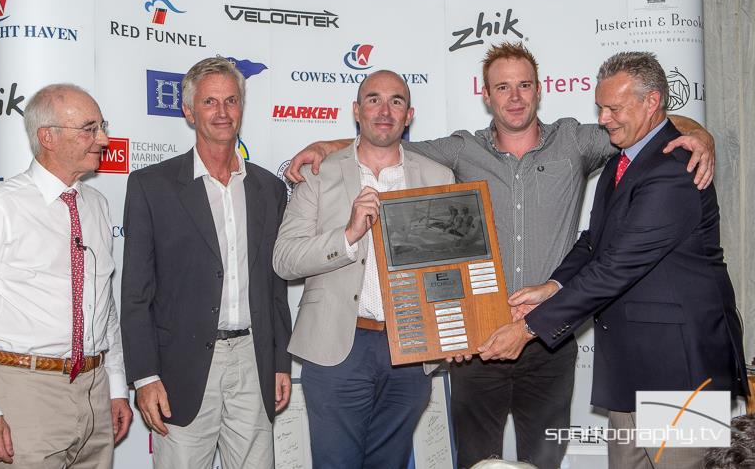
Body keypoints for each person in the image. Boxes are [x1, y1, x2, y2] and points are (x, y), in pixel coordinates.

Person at [285, 42, 716, 468]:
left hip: (551, 337)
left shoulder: (581, 141)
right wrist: (327, 145)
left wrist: (701, 136)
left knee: (545, 460)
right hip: (480, 339)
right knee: (476, 461)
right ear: (486, 96)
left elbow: (653, 121)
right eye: (503, 87)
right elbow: (384, 139)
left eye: (524, 85)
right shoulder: (459, 151)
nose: (515, 97)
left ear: (539, 90)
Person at [480, 52, 749, 469]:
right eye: (600, 107)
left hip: (679, 371)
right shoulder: (623, 160)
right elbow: (594, 242)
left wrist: (530, 327)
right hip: (631, 366)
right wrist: (553, 286)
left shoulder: (674, 169)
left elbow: (617, 267)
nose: (604, 119)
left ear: (652, 101)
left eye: (614, 108)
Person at [273, 70, 455, 468]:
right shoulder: (319, 174)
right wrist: (348, 234)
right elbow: (284, 259)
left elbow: (447, 271)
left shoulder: (437, 177)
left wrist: (455, 331)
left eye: (396, 101)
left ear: (409, 115)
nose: (384, 110)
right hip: (338, 345)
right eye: (373, 100)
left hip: (409, 348)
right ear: (357, 111)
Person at [120, 56, 292, 468]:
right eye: (210, 102)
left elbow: (274, 288)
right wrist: (145, 377)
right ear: (188, 111)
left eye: (231, 101)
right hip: (182, 365)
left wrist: (280, 361)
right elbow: (136, 294)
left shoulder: (268, 188)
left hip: (254, 360)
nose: (222, 112)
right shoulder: (151, 186)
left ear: (241, 108)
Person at [0, 83, 132, 467]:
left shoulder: (97, 205)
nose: (103, 138)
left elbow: (104, 305)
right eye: (89, 128)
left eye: (102, 126)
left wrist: (115, 386)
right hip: (24, 396)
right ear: (47, 137)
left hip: (95, 392)